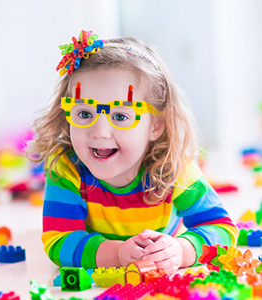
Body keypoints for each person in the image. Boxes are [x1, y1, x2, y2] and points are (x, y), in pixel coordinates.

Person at [26, 30, 238, 274]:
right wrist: (117, 253)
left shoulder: (172, 166)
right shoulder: (66, 168)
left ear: (155, 126)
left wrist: (181, 250)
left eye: (120, 116)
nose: (100, 132)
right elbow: (59, 241)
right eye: (84, 114)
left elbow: (221, 228)